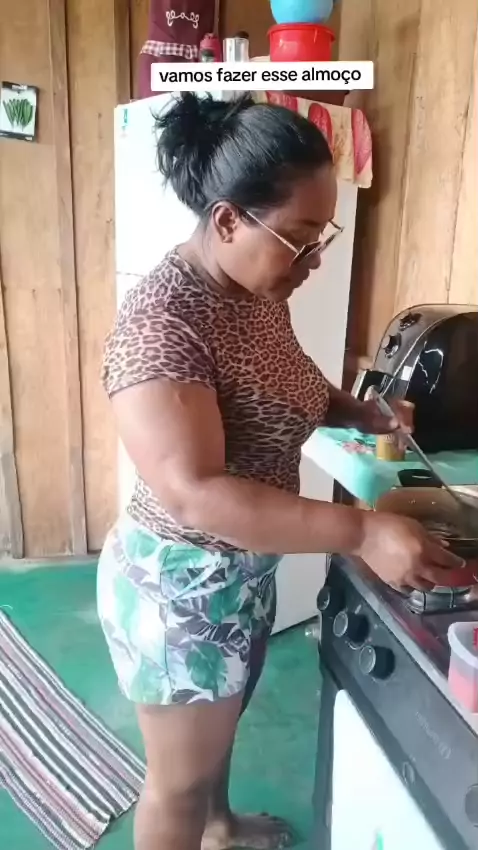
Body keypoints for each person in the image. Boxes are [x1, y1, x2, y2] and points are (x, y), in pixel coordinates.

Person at [97, 93, 461, 850]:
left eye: (320, 236)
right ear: (229, 220)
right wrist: (361, 530)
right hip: (183, 584)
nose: (313, 260)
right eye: (298, 240)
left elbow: (286, 382)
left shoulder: (253, 289)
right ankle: (199, 819)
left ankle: (219, 826)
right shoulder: (162, 326)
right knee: (176, 784)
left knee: (219, 729)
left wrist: (359, 413)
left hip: (244, 565)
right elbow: (195, 495)